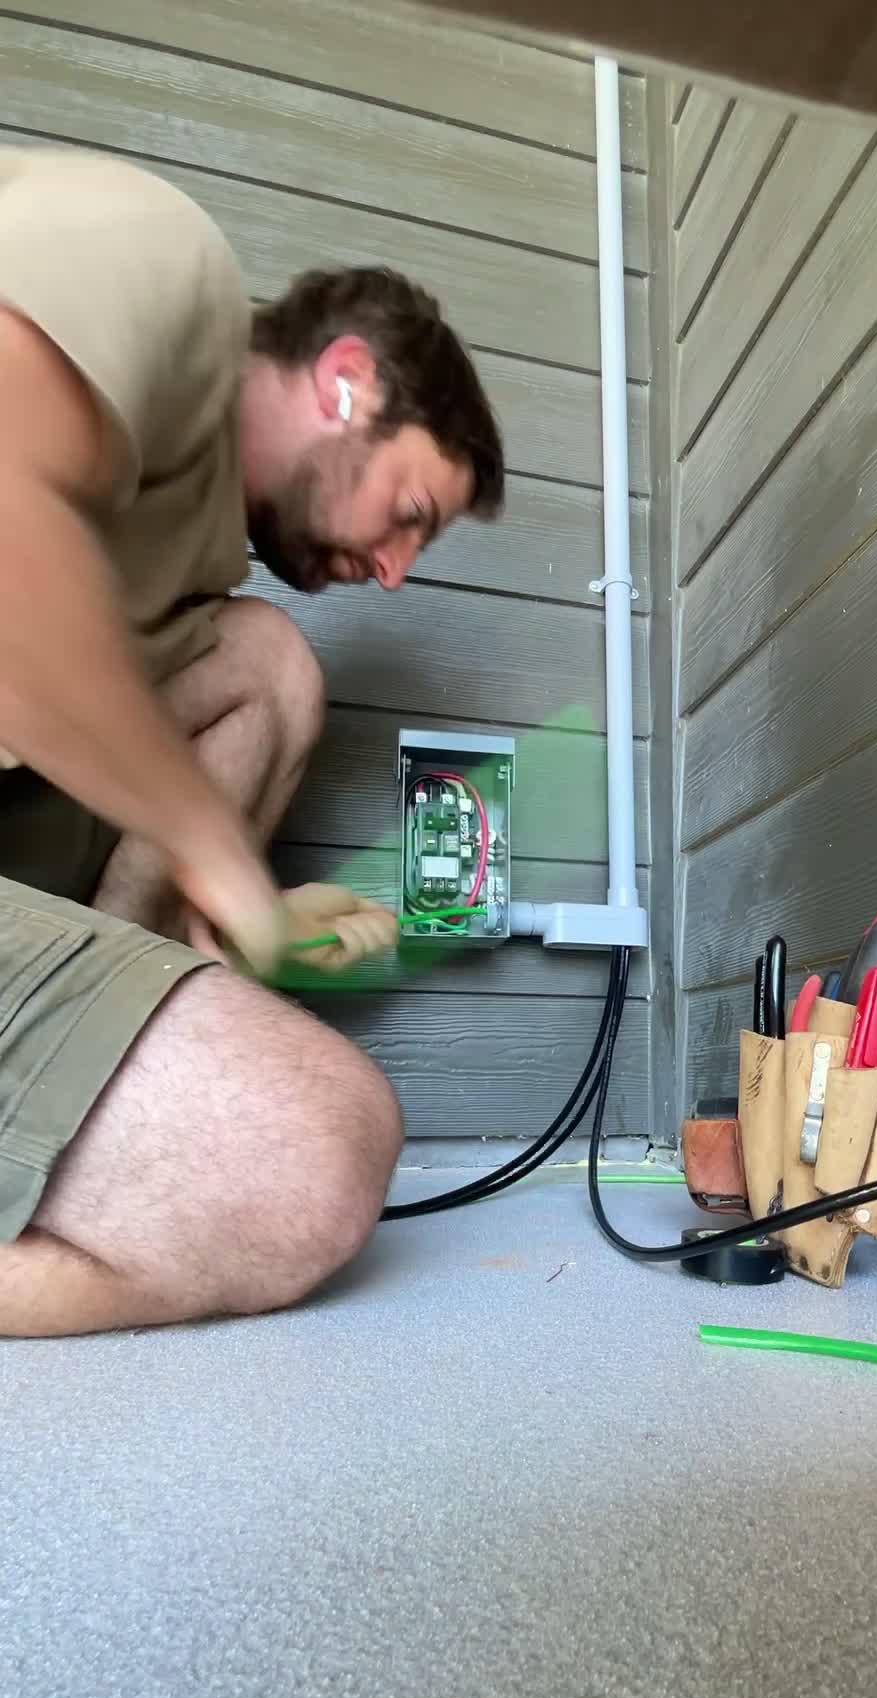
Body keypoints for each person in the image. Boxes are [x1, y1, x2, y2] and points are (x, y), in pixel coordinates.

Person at [0, 144, 505, 1337]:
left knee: (266, 664)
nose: (391, 573)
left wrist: (235, 925)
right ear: (343, 382)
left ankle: (96, 1058)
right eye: (409, 516)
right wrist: (229, 872)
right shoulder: (157, 250)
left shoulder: (186, 569)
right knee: (310, 1150)